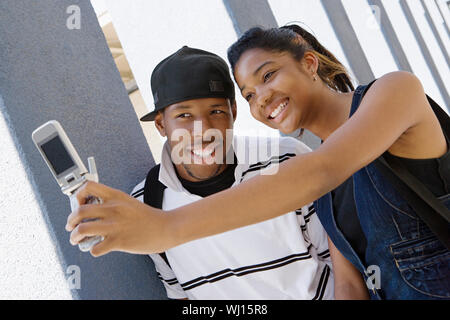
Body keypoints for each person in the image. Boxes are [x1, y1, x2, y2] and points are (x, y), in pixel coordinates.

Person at [66, 26, 450, 300]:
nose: (262, 97)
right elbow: (349, 286)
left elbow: (322, 171)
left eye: (268, 75)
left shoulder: (395, 91)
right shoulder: (323, 181)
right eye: (250, 93)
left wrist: (167, 227)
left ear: (310, 62)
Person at [129, 46, 333, 299]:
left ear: (233, 113)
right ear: (161, 124)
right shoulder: (146, 203)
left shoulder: (285, 160)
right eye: (183, 115)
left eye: (216, 112)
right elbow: (181, 294)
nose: (204, 130)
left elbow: (343, 264)